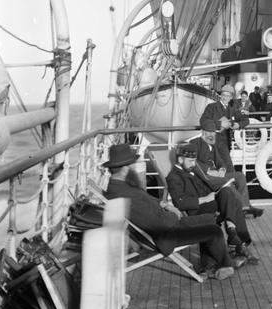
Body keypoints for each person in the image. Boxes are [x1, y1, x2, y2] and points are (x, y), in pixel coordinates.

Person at [103, 143, 242, 280]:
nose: (133, 167)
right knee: (213, 230)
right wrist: (174, 215)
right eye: (132, 165)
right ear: (125, 168)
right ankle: (225, 265)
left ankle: (210, 265)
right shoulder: (127, 194)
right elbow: (156, 221)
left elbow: (149, 202)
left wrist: (165, 204)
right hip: (166, 234)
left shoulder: (119, 187)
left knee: (209, 219)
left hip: (167, 223)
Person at [166, 141, 253, 262]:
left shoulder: (192, 170)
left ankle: (233, 233)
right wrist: (205, 199)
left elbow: (205, 187)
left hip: (208, 203)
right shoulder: (173, 177)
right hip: (197, 210)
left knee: (227, 193)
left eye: (194, 161)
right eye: (190, 161)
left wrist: (218, 190)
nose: (193, 164)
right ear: (180, 160)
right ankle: (238, 243)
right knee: (233, 204)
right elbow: (180, 202)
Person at [193, 117, 263, 220]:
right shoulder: (195, 143)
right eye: (209, 132)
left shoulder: (212, 144)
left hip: (217, 175)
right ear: (203, 132)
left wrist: (222, 169)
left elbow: (220, 161)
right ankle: (243, 208)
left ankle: (245, 207)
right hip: (204, 178)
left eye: (213, 132)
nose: (211, 135)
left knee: (239, 176)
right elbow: (193, 162)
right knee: (227, 181)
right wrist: (209, 171)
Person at [201, 84, 250, 152]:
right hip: (212, 144)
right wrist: (220, 124)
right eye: (223, 95)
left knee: (228, 162)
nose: (225, 98)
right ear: (220, 95)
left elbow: (246, 120)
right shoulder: (211, 107)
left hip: (226, 145)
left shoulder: (233, 109)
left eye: (228, 96)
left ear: (231, 97)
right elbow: (203, 121)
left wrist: (239, 125)